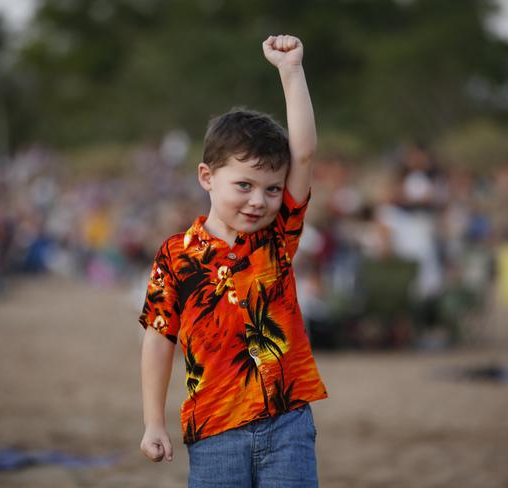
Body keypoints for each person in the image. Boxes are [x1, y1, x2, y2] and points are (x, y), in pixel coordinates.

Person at [139, 35, 328, 487]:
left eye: (272, 189)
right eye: (244, 185)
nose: (259, 201)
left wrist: (291, 71)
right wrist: (153, 421)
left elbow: (302, 152)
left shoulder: (278, 235)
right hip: (214, 434)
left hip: (289, 426)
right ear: (207, 176)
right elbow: (158, 339)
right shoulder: (176, 255)